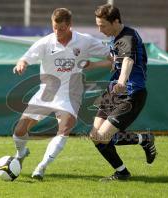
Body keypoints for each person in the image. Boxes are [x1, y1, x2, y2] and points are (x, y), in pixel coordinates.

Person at [12, 7, 110, 180]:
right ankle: (21, 154)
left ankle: (41, 167)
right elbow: (25, 57)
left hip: (70, 94)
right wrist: (22, 64)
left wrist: (94, 65)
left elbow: (112, 57)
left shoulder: (85, 41)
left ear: (70, 25)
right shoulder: (45, 42)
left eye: (62, 29)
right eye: (54, 28)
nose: (57, 32)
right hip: (46, 93)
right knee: (19, 130)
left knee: (64, 129)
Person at [87, 4, 157, 181]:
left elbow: (127, 61)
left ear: (116, 21)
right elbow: (115, 61)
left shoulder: (127, 37)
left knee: (103, 136)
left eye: (102, 25)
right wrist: (93, 65)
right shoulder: (115, 37)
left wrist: (121, 81)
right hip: (113, 92)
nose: (100, 29)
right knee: (95, 135)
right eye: (98, 25)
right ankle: (122, 172)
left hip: (131, 93)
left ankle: (144, 139)